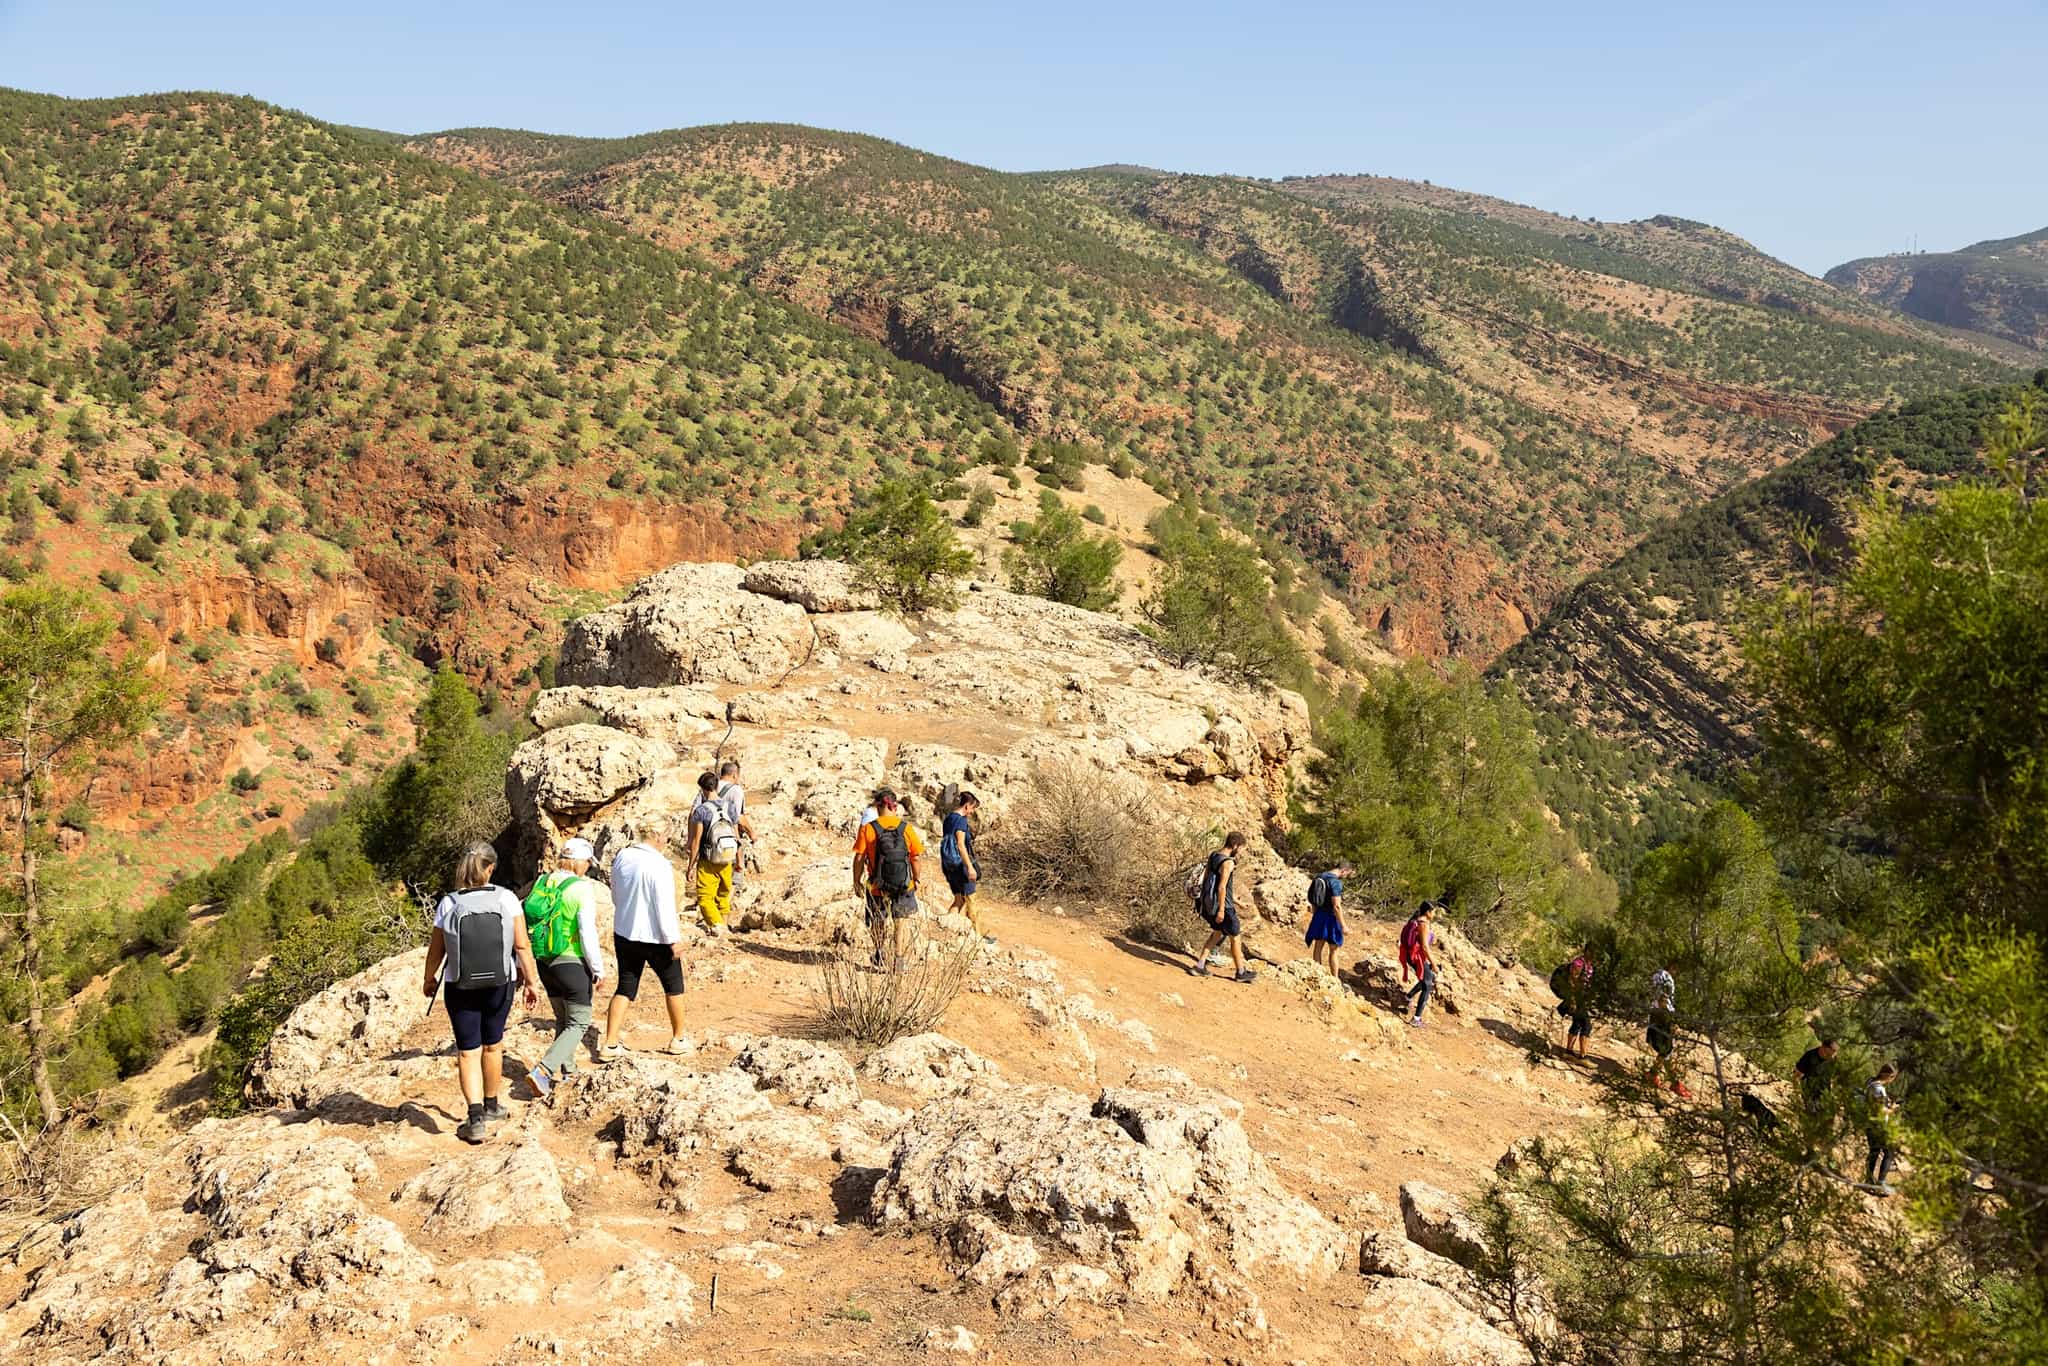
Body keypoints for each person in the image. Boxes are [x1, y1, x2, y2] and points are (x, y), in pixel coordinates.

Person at [422, 841, 541, 1143]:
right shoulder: (508, 899)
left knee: (467, 1051)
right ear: (490, 868)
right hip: (500, 984)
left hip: (460, 985)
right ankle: (492, 1105)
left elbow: (436, 950)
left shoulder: (448, 903)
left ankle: (475, 1119)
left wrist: (429, 978)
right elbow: (522, 945)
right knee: (493, 1045)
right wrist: (530, 982)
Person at [522, 837, 606, 1103]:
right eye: (587, 864)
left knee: (563, 1019)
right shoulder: (580, 888)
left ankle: (569, 1072)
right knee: (579, 1021)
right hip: (571, 961)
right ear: (579, 862)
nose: (587, 869)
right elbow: (586, 932)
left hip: (545, 961)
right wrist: (597, 968)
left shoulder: (542, 881)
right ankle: (544, 1070)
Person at [598, 837, 690, 1058]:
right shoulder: (660, 865)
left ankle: (609, 1044)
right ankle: (678, 1039)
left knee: (625, 987)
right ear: (658, 837)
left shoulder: (623, 857)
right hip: (656, 937)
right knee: (674, 986)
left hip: (625, 933)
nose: (667, 842)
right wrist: (673, 939)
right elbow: (664, 906)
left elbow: (615, 894)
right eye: (667, 837)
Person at [853, 788, 924, 965]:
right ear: (895, 806)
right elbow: (915, 857)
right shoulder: (906, 828)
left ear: (877, 806)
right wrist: (916, 879)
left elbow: (859, 857)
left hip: (877, 885)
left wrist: (856, 880)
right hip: (903, 883)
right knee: (901, 921)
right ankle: (899, 959)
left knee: (878, 919)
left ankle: (879, 953)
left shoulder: (868, 829)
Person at [1188, 832, 1255, 984]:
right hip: (1224, 908)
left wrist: (1238, 902)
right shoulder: (1228, 862)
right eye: (1242, 848)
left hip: (1209, 904)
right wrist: (1222, 910)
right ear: (1236, 846)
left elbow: (1208, 882)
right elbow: (1221, 887)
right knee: (1235, 938)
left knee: (1216, 934)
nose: (1241, 852)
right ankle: (1241, 972)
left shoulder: (1214, 855)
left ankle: (1200, 966)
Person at [684, 771, 740, 933]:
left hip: (708, 860)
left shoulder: (701, 811)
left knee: (705, 898)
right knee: (723, 895)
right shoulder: (730, 807)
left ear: (702, 789)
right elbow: (736, 836)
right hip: (727, 857)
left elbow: (696, 841)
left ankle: (719, 928)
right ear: (716, 786)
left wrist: (690, 866)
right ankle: (725, 930)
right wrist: (738, 860)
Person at [1645, 962, 1690, 1099]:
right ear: (1673, 966)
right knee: (1666, 1049)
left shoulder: (1656, 975)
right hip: (1662, 1015)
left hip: (1655, 1013)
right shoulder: (1666, 978)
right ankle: (1674, 1083)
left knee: (1665, 1050)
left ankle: (1652, 1074)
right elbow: (1663, 998)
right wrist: (1670, 1021)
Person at [716, 759, 757, 894]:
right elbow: (738, 817)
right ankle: (735, 887)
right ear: (734, 775)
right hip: (727, 836)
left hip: (709, 836)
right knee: (735, 867)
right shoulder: (736, 790)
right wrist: (752, 833)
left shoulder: (710, 786)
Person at [1303, 862, 1352, 973]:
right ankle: (1335, 979)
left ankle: (1317, 974)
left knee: (1318, 946)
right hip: (1331, 918)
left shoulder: (1320, 877)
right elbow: (1336, 906)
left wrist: (1315, 914)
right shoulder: (1335, 882)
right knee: (1334, 950)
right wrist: (1343, 926)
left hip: (1319, 914)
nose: (1345, 877)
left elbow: (1313, 896)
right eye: (1346, 874)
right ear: (1343, 870)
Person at [1862, 1063, 1900, 1193]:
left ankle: (1869, 1181)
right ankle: (1881, 1184)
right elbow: (1881, 1110)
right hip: (1878, 1125)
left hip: (1869, 1123)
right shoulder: (1879, 1089)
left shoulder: (1870, 1082)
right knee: (1889, 1152)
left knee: (1875, 1151)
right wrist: (1892, 1109)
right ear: (1889, 1076)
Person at [1398, 901, 1436, 1025]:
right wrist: (1434, 963)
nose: (1434, 914)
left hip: (1410, 955)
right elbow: (1425, 946)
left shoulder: (1416, 919)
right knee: (1428, 985)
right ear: (1428, 912)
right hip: (1417, 957)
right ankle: (1416, 1019)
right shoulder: (1423, 924)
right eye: (1434, 911)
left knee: (1428, 978)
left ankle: (1408, 997)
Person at [1559, 950, 1595, 1058]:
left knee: (1577, 1024)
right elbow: (1571, 981)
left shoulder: (1588, 965)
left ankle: (1568, 1052)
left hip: (1581, 999)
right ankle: (1583, 1056)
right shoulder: (1579, 963)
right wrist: (1573, 1000)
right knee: (1587, 1026)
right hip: (1576, 999)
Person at [1795, 1037, 1839, 1114]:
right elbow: (1797, 1076)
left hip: (1824, 1093)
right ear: (1822, 1047)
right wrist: (1798, 1094)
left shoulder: (1833, 1060)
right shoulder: (1809, 1056)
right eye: (1828, 1054)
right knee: (1812, 1114)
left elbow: (1831, 1077)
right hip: (1809, 1092)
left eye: (1832, 1055)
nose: (1830, 1057)